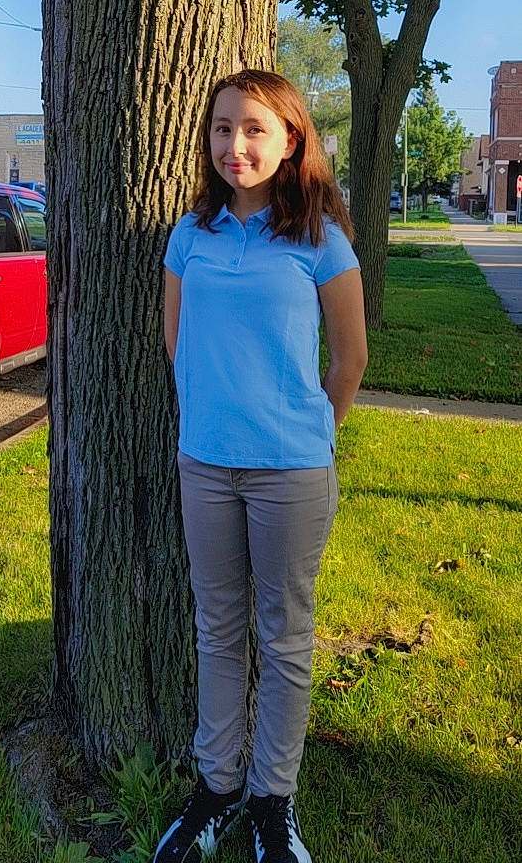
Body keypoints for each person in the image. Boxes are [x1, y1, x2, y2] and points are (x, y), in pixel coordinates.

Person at [154, 70, 367, 863]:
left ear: (290, 142)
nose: (234, 144)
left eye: (252, 129)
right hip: (204, 465)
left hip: (292, 475)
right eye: (220, 129)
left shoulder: (320, 239)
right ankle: (216, 788)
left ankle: (272, 804)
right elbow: (178, 347)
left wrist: (304, 434)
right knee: (218, 629)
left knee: (283, 639)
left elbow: (350, 361)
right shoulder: (189, 236)